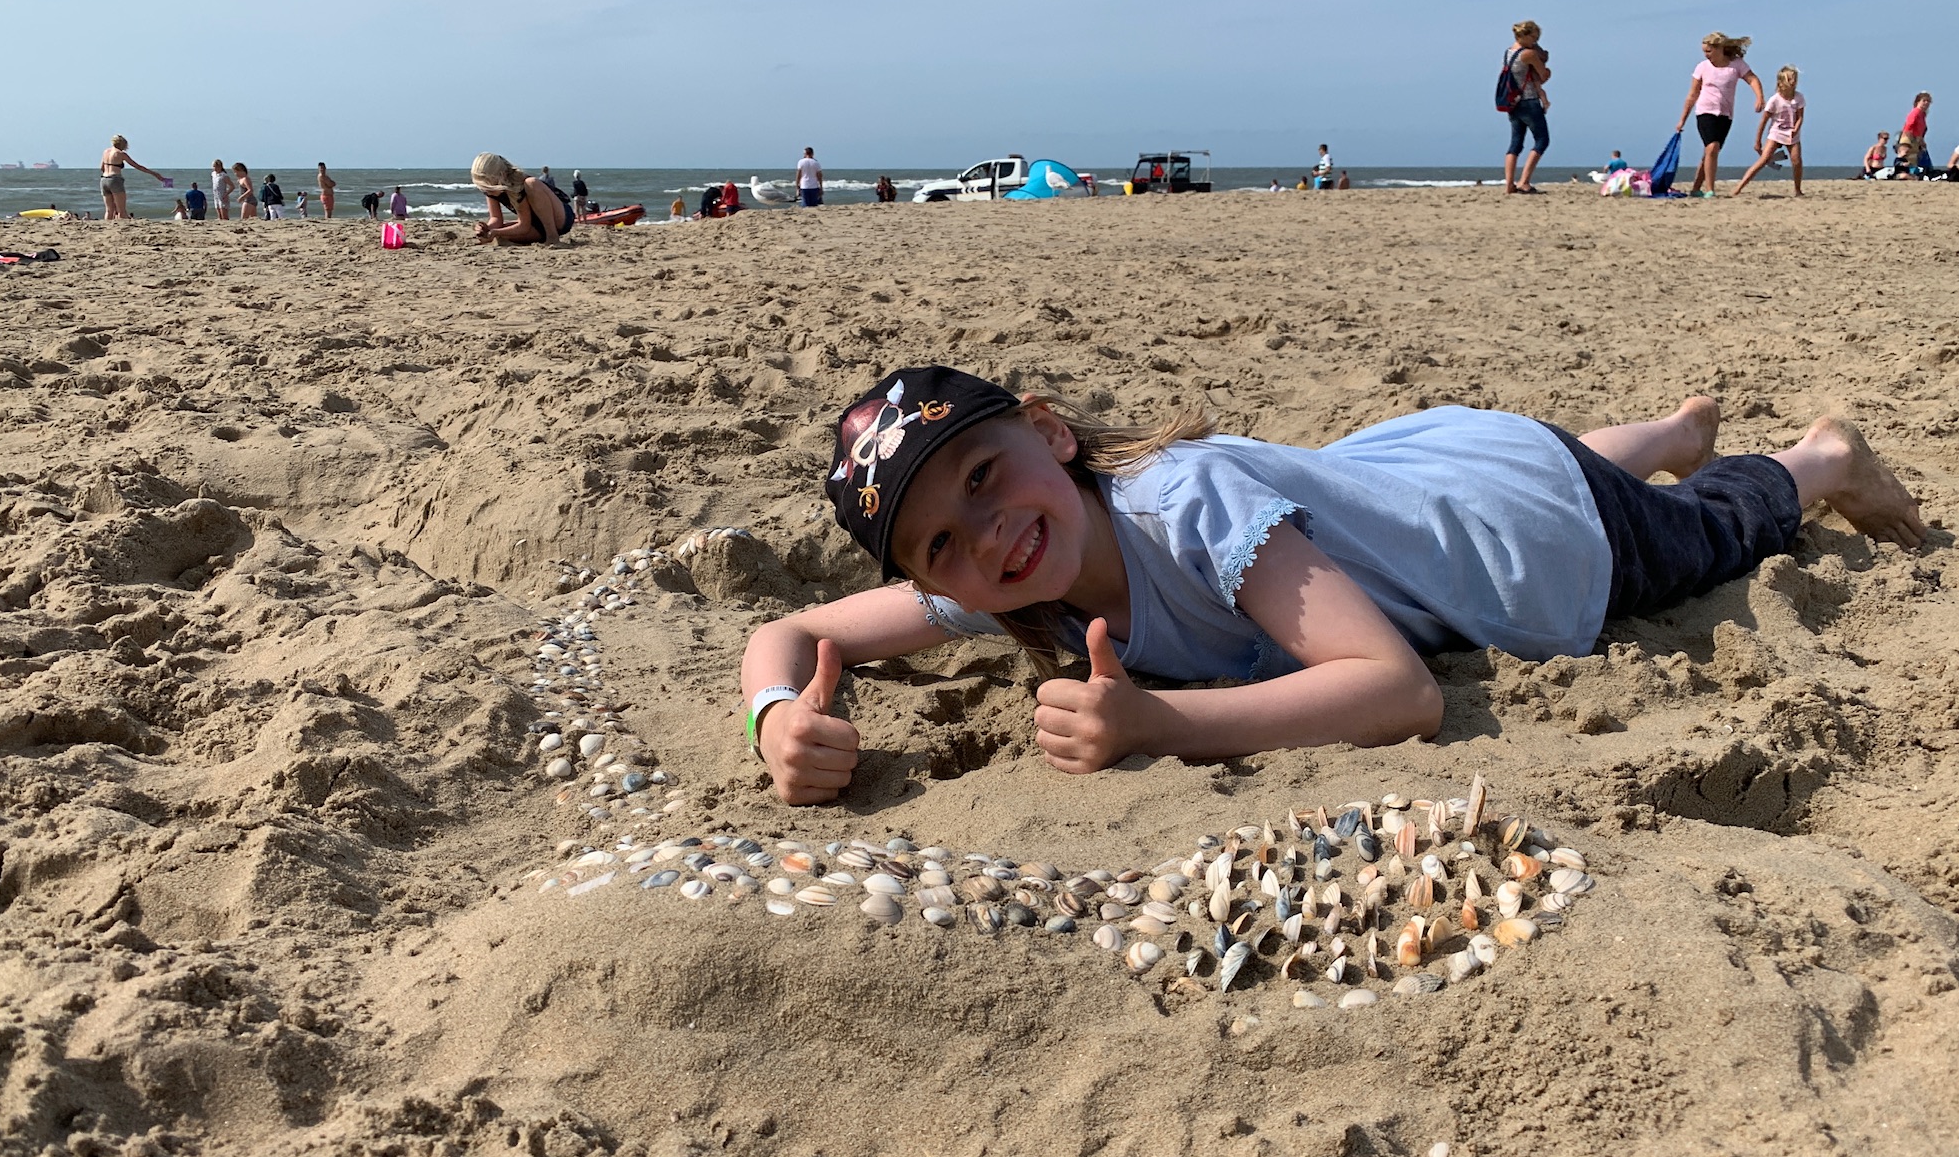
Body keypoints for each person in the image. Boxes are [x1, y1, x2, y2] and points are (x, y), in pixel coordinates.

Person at [741, 369, 1925, 803]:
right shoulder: (1009, 581)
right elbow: (786, 628)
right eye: (939, 544)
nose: (985, 539)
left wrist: (1159, 721)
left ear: (1048, 431)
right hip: (1432, 470)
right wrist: (777, 716)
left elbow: (1397, 691)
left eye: (986, 477)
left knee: (1701, 538)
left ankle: (1814, 456)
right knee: (1513, 462)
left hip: (1532, 535)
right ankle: (1664, 429)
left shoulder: (1182, 504)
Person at [1676, 33, 1764, 198]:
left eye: (1709, 51)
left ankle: (1696, 188)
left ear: (1720, 49)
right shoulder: (1702, 67)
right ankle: (1710, 189)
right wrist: (1682, 119)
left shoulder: (1736, 65)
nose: (1706, 55)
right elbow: (1692, 95)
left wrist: (1759, 97)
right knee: (1712, 147)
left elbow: (1752, 79)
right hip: (1704, 112)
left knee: (1710, 153)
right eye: (1704, 51)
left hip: (1725, 115)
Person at [1731, 66, 1806, 198]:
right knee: (1763, 160)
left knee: (1797, 161)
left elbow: (1800, 116)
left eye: (1795, 78)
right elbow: (1763, 121)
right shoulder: (1775, 100)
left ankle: (1797, 189)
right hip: (1776, 132)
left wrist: (1796, 128)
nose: (1793, 81)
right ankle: (1739, 187)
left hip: (1792, 134)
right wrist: (1757, 141)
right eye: (1790, 78)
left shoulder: (1798, 98)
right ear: (1782, 81)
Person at [470, 152, 572, 244]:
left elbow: (524, 226)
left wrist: (496, 232)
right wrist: (486, 229)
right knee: (495, 236)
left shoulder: (518, 184)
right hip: (534, 225)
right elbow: (496, 218)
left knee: (531, 183)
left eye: (489, 187)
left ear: (502, 176)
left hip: (558, 218)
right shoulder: (490, 190)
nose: (487, 191)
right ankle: (545, 235)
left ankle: (552, 235)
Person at [1501, 20, 1551, 196]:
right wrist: (1547, 71)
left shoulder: (1508, 52)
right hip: (1529, 101)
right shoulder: (1528, 54)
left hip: (1513, 102)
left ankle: (1509, 184)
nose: (1535, 41)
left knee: (1515, 143)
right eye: (1534, 38)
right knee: (1542, 140)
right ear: (1525, 36)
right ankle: (1524, 181)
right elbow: (1543, 75)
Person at [99, 135, 166, 221]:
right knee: (121, 210)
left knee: (109, 210)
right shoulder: (120, 153)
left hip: (104, 180)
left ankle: (106, 228)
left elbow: (101, 167)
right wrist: (154, 173)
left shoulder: (105, 152)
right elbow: (137, 166)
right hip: (115, 179)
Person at [1897, 92, 1932, 176]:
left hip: (1916, 139)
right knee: (1908, 158)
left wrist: (1921, 140)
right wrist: (1914, 139)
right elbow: (1908, 126)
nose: (1926, 103)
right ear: (1918, 102)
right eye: (1924, 101)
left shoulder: (1922, 114)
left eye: (1928, 101)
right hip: (1909, 139)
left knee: (1916, 159)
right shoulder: (1915, 112)